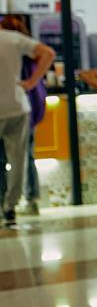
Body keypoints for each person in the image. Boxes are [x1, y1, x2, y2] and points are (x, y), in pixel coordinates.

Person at [0, 23, 53, 227]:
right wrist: (31, 82)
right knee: (18, 161)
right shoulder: (13, 38)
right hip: (17, 105)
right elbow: (48, 53)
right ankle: (10, 208)